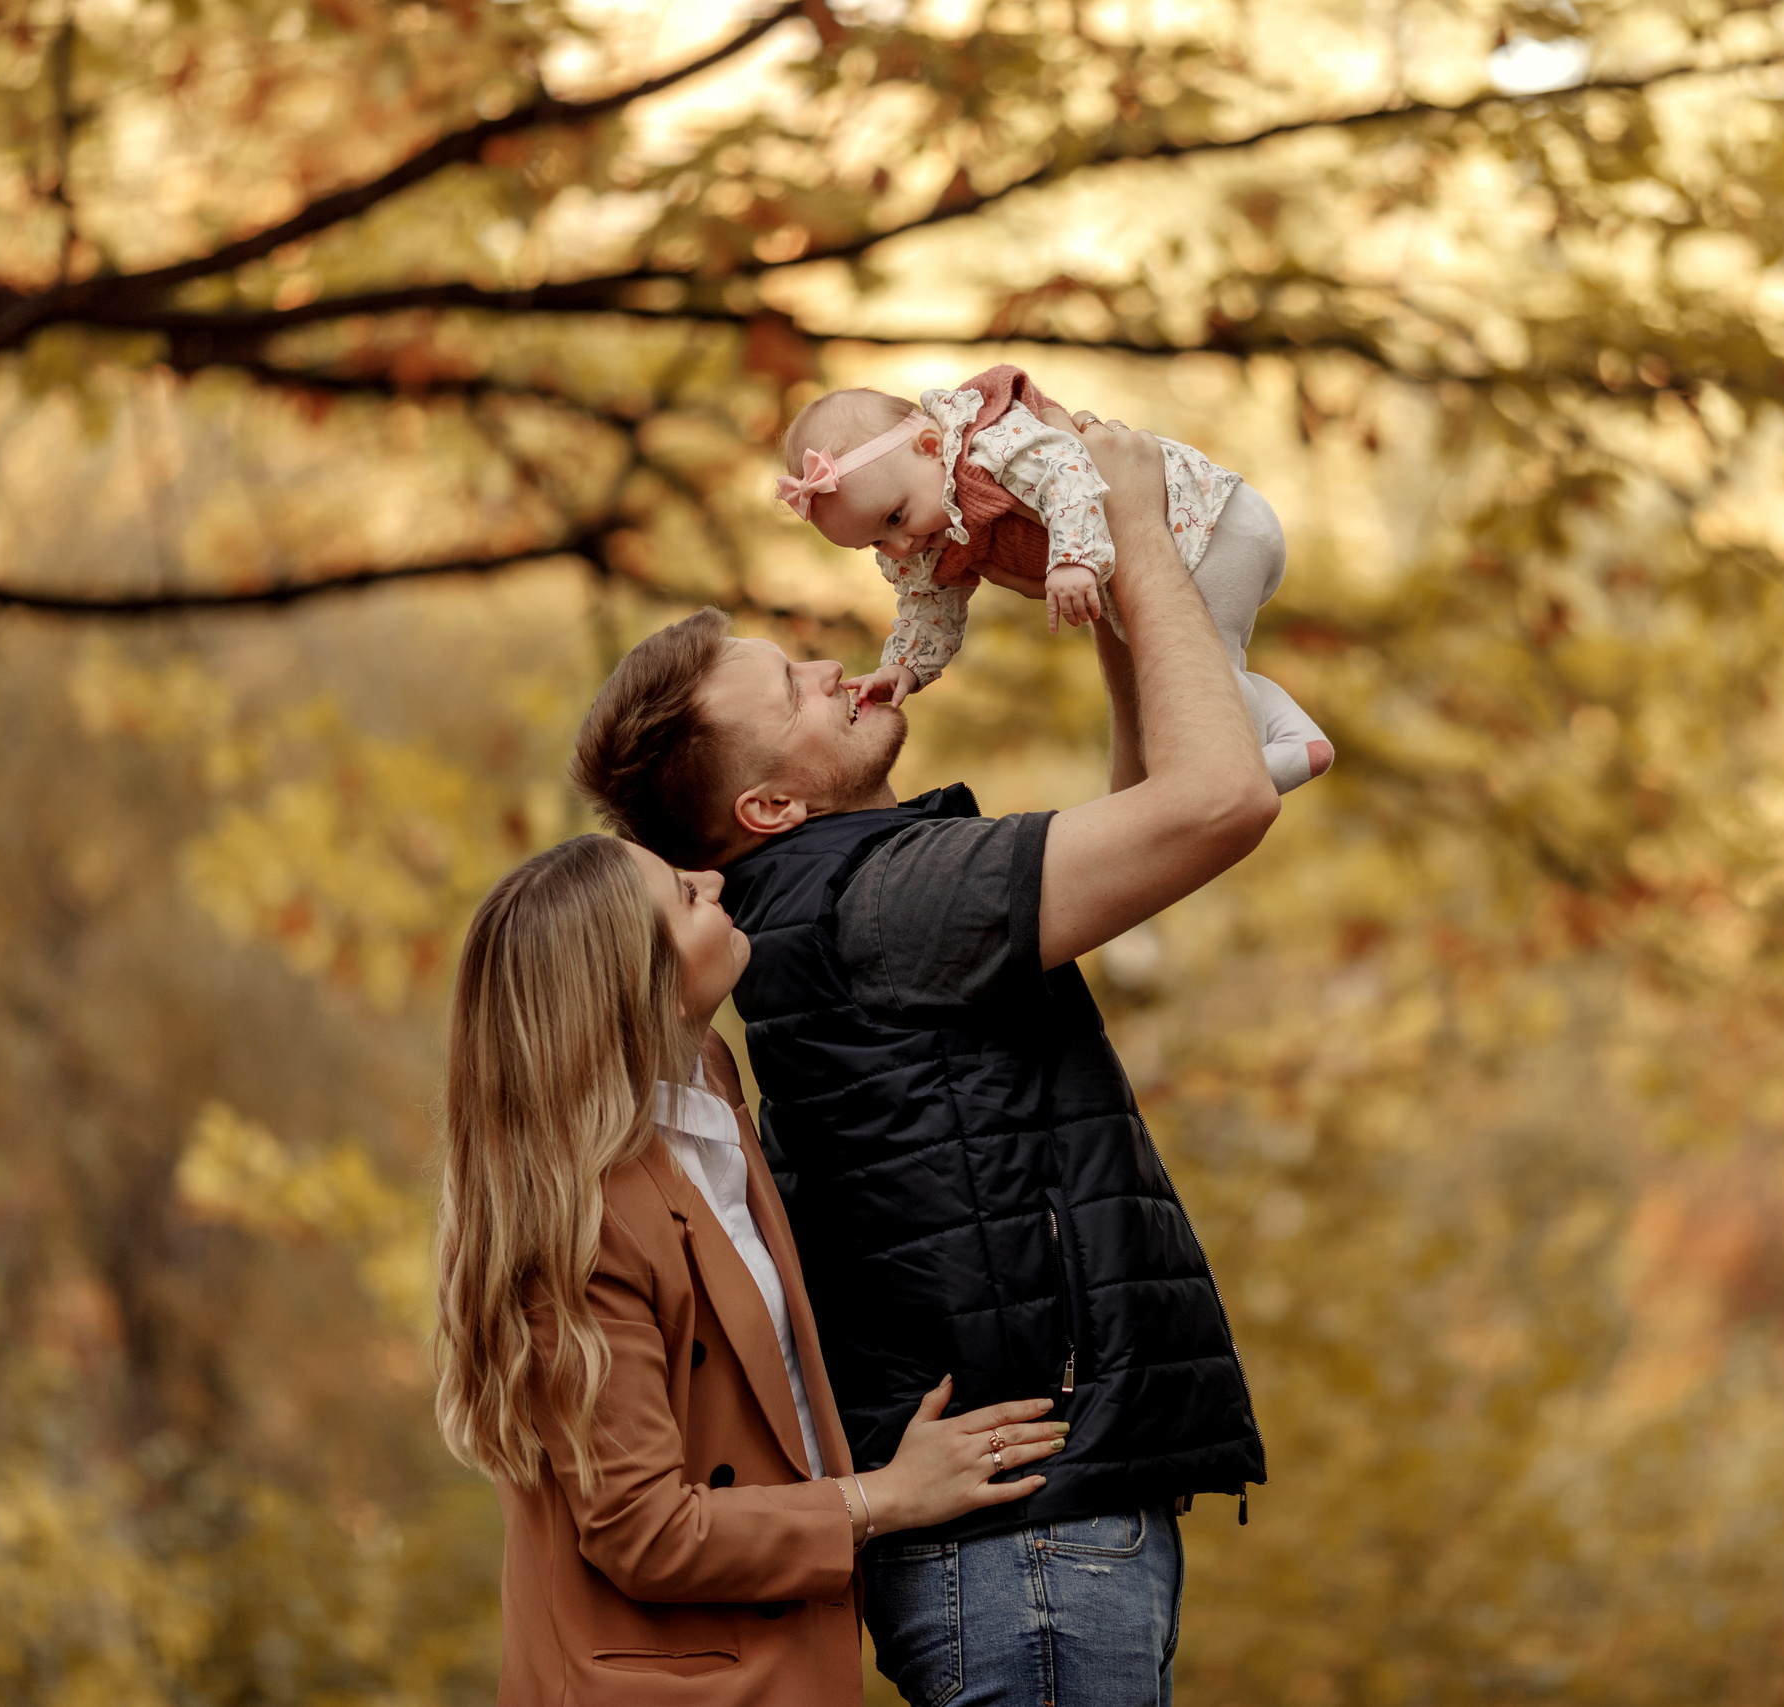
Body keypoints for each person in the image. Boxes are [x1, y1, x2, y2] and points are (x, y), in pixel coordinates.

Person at [568, 414, 1279, 1705]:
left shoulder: (831, 900)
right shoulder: (877, 900)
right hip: (1027, 1549)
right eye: (791, 686)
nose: (839, 668)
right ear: (768, 807)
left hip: (1023, 1543)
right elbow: (1220, 799)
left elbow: (1154, 800)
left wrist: (1120, 581)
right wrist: (1125, 516)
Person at [431, 832, 1070, 1705]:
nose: (712, 877)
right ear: (633, 984)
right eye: (684, 897)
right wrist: (883, 1497)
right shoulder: (583, 1226)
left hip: (777, 1662)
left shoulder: (707, 1086)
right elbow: (646, 1531)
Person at [775, 364, 1333, 793]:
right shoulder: (927, 536)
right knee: (1205, 661)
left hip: (1208, 527)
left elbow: (1068, 471)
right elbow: (927, 604)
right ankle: (1294, 740)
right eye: (875, 540)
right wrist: (904, 667)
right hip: (1184, 552)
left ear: (930, 448)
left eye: (895, 517)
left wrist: (1072, 558)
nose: (899, 545)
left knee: (1199, 669)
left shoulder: (987, 446)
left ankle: (1233, 772)